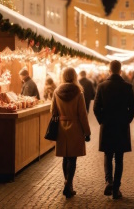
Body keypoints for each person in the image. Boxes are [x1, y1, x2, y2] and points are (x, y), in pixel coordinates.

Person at [93, 60, 134, 200]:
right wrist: (127, 120)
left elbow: (95, 108)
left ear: (109, 70)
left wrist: (102, 121)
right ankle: (116, 188)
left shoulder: (102, 86)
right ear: (120, 70)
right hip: (121, 126)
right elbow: (133, 108)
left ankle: (108, 181)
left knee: (107, 154)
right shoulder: (127, 86)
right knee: (119, 158)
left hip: (107, 125)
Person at [51, 67, 91, 198]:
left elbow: (53, 111)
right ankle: (69, 184)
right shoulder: (79, 93)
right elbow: (83, 115)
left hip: (61, 127)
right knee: (72, 158)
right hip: (75, 128)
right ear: (74, 76)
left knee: (65, 156)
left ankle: (67, 183)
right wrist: (87, 132)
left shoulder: (56, 92)